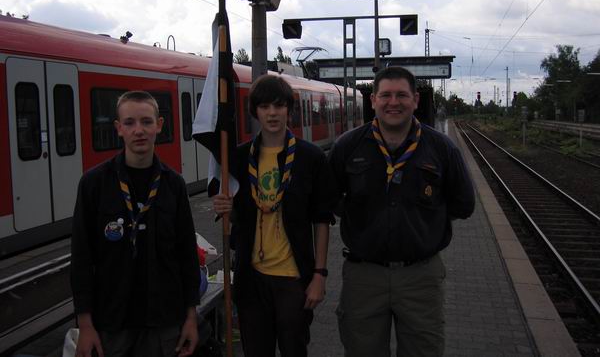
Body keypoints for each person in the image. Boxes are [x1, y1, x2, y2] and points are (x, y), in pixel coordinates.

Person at [329, 66, 475, 357]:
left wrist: (427, 221)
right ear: (373, 100)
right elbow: (329, 198)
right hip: (363, 278)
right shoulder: (348, 146)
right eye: (385, 95)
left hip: (420, 278)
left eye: (401, 95)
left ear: (415, 100)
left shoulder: (442, 149)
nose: (393, 102)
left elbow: (464, 204)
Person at [212, 75, 335, 357]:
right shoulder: (238, 159)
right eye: (265, 106)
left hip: (293, 279)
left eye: (279, 106)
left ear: (289, 110)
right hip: (251, 279)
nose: (272, 113)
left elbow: (322, 219)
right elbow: (235, 216)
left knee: (294, 349)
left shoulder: (310, 158)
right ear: (255, 111)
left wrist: (319, 275)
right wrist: (224, 207)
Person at [70, 91, 200, 357]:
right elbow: (82, 258)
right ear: (118, 128)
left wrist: (191, 317)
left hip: (164, 320)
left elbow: (187, 254)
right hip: (112, 323)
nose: (138, 130)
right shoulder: (94, 184)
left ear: (159, 125)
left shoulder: (174, 185)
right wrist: (85, 325)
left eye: (146, 122)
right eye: (129, 123)